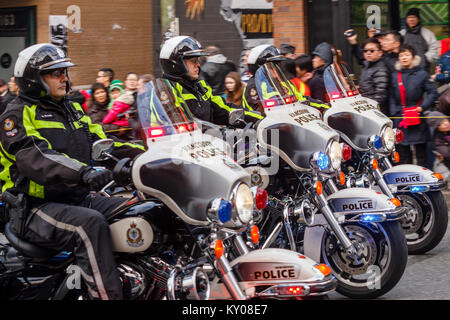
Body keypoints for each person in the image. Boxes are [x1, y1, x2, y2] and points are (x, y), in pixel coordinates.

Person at [0, 43, 145, 300]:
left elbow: (101, 142)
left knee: (140, 208)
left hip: (76, 198)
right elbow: (36, 157)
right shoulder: (17, 114)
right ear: (33, 79)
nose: (64, 78)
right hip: (35, 208)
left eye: (64, 72)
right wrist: (83, 172)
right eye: (55, 73)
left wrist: (145, 154)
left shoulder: (72, 109)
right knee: (89, 225)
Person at [159, 36, 263, 126]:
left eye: (198, 61)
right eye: (193, 61)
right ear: (176, 64)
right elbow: (180, 121)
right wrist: (214, 131)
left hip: (204, 146)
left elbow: (223, 110)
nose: (198, 64)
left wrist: (259, 119)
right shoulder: (165, 89)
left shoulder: (200, 87)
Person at [389, 44, 438, 168]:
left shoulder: (422, 73)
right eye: (401, 55)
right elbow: (391, 96)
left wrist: (422, 107)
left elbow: (433, 92)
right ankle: (408, 181)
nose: (404, 58)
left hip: (417, 116)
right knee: (403, 152)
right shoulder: (395, 75)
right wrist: (394, 113)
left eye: (407, 55)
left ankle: (423, 179)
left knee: (421, 152)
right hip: (400, 118)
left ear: (413, 57)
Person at [358, 38, 390, 115]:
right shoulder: (366, 66)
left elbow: (381, 94)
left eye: (372, 51)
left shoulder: (381, 69)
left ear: (380, 53)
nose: (368, 53)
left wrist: (371, 108)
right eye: (365, 51)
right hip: (367, 107)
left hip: (376, 111)